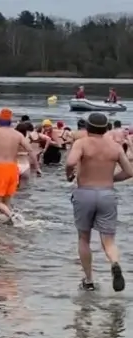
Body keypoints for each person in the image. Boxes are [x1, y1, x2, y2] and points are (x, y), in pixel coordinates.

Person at [66, 112, 133, 292]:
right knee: (109, 240)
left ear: (87, 127)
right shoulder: (115, 147)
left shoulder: (82, 143)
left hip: (85, 193)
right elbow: (129, 172)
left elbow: (71, 161)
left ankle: (88, 281)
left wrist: (68, 174)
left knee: (83, 238)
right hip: (107, 194)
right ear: (105, 129)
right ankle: (115, 263)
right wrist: (111, 179)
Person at [0, 108, 37, 220]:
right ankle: (6, 226)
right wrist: (37, 167)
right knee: (6, 200)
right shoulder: (18, 135)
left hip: (0, 168)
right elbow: (30, 150)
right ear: (10, 121)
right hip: (13, 169)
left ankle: (12, 216)